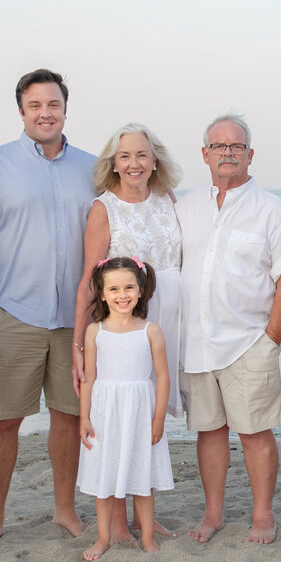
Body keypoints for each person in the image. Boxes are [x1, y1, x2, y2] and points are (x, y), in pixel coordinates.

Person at [0, 68, 96, 548]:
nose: (45, 113)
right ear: (21, 111)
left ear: (65, 108)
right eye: (35, 105)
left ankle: (64, 509)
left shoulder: (93, 168)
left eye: (53, 104)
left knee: (69, 415)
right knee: (2, 420)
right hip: (13, 313)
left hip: (76, 320)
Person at [175, 114, 281, 544]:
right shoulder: (186, 206)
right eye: (219, 145)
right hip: (196, 342)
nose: (228, 152)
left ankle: (263, 515)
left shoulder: (272, 209)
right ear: (205, 153)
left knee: (255, 433)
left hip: (249, 342)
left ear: (250, 153)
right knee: (208, 432)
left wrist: (272, 339)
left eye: (236, 146)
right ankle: (213, 514)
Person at [72, 124, 182, 540]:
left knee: (145, 414)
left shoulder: (167, 200)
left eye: (142, 155)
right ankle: (116, 523)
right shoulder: (104, 208)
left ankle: (144, 519)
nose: (134, 163)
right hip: (121, 325)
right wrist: (79, 342)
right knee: (117, 416)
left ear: (155, 160)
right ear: (112, 164)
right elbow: (89, 280)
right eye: (125, 156)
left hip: (166, 320)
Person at [76, 257, 174, 561]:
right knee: (104, 477)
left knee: (142, 477)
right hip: (105, 412)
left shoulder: (150, 330)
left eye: (129, 287)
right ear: (103, 295)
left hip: (140, 412)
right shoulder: (95, 331)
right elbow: (90, 377)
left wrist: (158, 418)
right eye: (114, 289)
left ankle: (146, 537)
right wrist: (84, 417)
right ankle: (103, 537)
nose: (122, 295)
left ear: (141, 291)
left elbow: (162, 376)